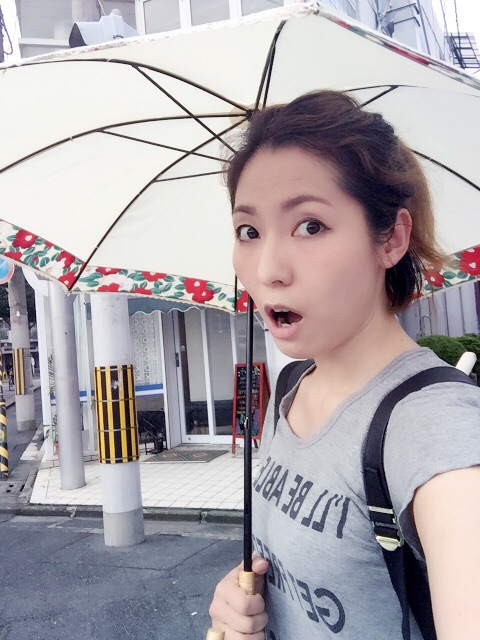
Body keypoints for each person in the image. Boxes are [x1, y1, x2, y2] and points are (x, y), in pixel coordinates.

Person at [209, 91, 480, 639]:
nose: (268, 269)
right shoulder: (293, 385)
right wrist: (238, 604)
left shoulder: (434, 431)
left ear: (392, 238)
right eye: (249, 231)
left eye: (310, 225)